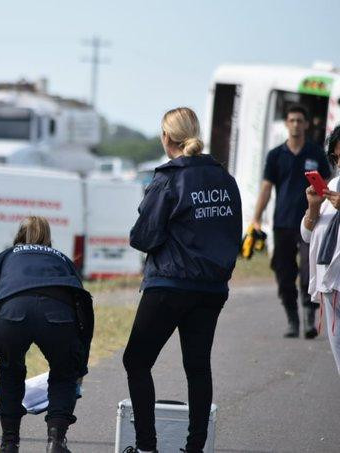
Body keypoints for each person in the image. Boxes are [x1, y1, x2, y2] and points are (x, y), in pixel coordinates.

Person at [123, 107, 242, 453]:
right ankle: (194, 448)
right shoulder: (225, 179)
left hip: (170, 286)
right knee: (197, 367)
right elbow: (232, 233)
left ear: (166, 138)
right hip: (211, 289)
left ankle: (147, 447)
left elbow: (142, 237)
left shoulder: (168, 179)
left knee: (137, 361)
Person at [0, 216, 94, 453]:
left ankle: (9, 443)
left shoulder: (6, 256)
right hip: (57, 314)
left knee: (10, 369)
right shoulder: (61, 258)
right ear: (49, 238)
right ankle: (56, 442)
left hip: (12, 314)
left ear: (18, 235)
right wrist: (79, 369)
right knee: (63, 374)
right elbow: (83, 307)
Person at [251, 104, 331, 338]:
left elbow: (326, 186)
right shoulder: (275, 155)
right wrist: (256, 218)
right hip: (283, 223)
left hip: (311, 222)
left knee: (308, 270)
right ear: (286, 124)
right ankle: (292, 318)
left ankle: (309, 317)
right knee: (284, 273)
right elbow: (266, 188)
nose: (296, 124)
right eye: (292, 120)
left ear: (306, 124)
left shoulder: (316, 153)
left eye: (299, 120)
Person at [301, 124, 340, 375]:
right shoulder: (333, 184)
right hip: (331, 282)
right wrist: (314, 206)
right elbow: (306, 234)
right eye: (336, 157)